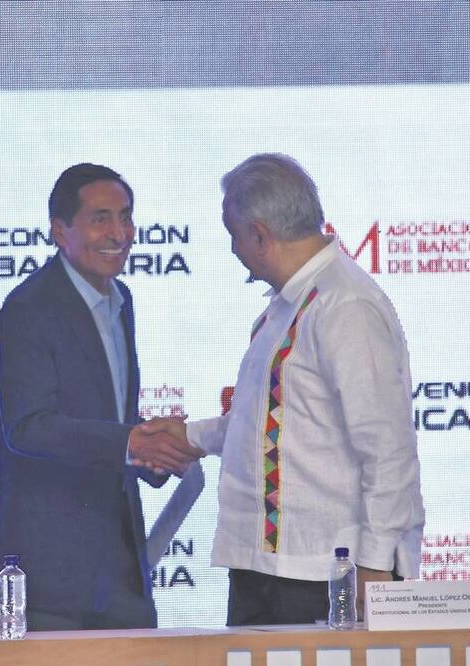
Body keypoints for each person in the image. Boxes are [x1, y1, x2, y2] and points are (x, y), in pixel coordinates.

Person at [153, 153, 424, 625]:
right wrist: (190, 437)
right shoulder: (291, 303)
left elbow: (388, 450)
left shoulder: (344, 306)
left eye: (233, 235)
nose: (234, 250)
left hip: (328, 574)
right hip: (270, 568)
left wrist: (376, 567)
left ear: (259, 234)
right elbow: (275, 421)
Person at [0, 163, 201, 631]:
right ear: (60, 231)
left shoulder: (121, 301)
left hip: (120, 567)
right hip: (49, 576)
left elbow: (106, 414)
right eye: (101, 218)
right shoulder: (29, 308)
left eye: (126, 217)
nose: (119, 232)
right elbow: (28, 427)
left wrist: (156, 451)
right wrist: (132, 442)